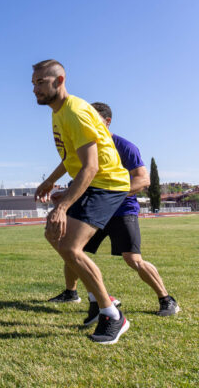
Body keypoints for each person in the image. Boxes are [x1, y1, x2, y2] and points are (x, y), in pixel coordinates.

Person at [48, 102, 180, 319]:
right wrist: (66, 194)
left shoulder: (125, 146)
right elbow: (85, 179)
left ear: (107, 122)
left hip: (122, 211)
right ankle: (71, 293)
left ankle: (166, 299)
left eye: (93, 118)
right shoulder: (86, 145)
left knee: (133, 259)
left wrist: (110, 195)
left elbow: (143, 179)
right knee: (72, 249)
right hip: (95, 209)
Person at [32, 60, 131, 344]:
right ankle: (97, 298)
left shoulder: (74, 112)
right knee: (55, 236)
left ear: (59, 80)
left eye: (41, 82)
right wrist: (51, 180)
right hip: (94, 183)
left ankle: (113, 315)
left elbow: (90, 167)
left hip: (106, 184)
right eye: (33, 84)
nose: (35, 89)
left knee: (70, 246)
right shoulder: (58, 112)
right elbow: (71, 157)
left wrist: (62, 207)